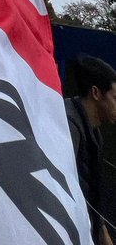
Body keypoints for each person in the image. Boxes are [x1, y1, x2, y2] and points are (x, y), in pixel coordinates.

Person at [65, 54, 116, 245]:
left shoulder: (95, 135)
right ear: (96, 93)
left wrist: (102, 234)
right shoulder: (67, 126)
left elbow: (91, 195)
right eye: (115, 97)